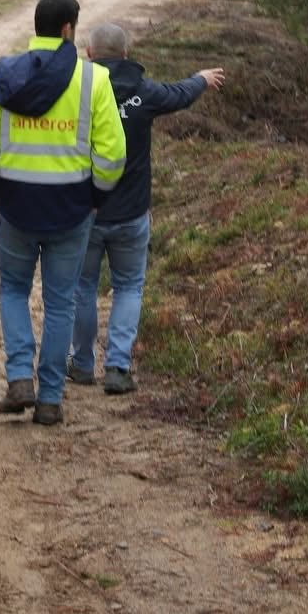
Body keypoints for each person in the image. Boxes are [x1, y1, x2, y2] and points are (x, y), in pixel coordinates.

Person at [0, 0, 127, 426]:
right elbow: (113, 155)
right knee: (59, 304)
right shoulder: (93, 80)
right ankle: (51, 398)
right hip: (71, 209)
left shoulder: (1, 73)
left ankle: (20, 376)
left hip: (15, 206)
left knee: (13, 290)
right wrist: (95, 197)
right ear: (68, 29)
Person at [66, 22, 225, 395]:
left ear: (89, 53)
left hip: (85, 211)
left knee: (83, 287)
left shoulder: (76, 91)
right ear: (126, 54)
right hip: (131, 213)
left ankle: (83, 364)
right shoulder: (143, 91)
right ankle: (118, 368)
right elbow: (179, 94)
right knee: (128, 287)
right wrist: (201, 79)